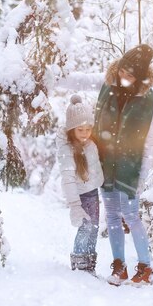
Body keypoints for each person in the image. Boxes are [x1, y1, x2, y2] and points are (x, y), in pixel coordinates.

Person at [57, 44, 153, 286]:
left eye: (130, 75)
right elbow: (79, 82)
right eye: (123, 70)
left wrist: (142, 176)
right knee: (112, 216)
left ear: (140, 77)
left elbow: (150, 140)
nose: (124, 77)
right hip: (106, 165)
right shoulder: (107, 86)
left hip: (130, 167)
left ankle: (145, 267)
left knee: (131, 215)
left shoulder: (147, 99)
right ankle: (119, 266)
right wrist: (54, 78)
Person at [57, 94, 104, 274]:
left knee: (94, 229)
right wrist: (75, 206)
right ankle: (79, 264)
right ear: (71, 130)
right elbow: (68, 178)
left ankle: (89, 264)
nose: (84, 134)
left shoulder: (90, 143)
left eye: (87, 129)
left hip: (93, 193)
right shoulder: (67, 150)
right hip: (80, 195)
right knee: (85, 227)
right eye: (80, 130)